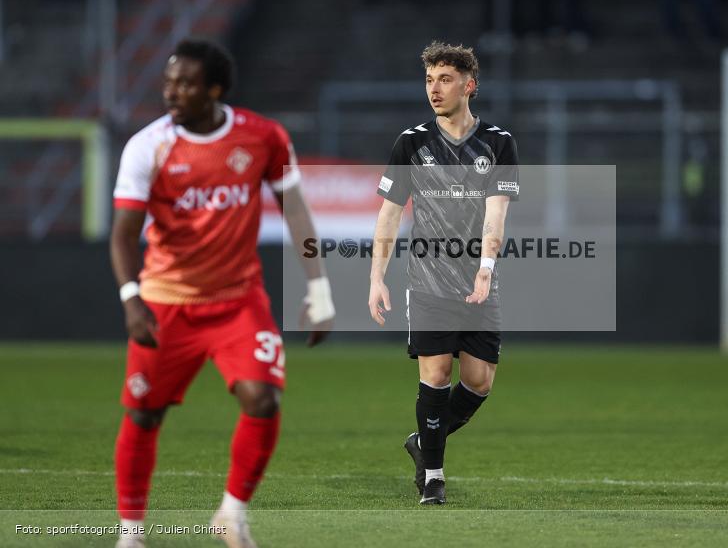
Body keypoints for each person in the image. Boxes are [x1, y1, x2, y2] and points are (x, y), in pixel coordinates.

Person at [110, 38, 334, 548]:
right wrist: (131, 297)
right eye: (168, 82)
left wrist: (319, 288)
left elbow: (296, 210)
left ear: (213, 89)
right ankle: (130, 533)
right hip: (166, 302)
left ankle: (231, 515)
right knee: (145, 413)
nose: (172, 92)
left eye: (185, 84)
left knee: (263, 399)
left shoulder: (263, 137)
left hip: (238, 300)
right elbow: (124, 232)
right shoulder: (148, 146)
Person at [368, 41, 519, 505]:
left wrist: (487, 267)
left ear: (469, 86)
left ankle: (422, 441)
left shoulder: (498, 142)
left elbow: (497, 214)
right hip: (428, 280)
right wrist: (377, 277)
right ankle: (432, 476)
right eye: (430, 79)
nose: (435, 88)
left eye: (445, 79)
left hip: (478, 280)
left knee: (479, 381)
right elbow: (389, 215)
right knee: (434, 375)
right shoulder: (410, 142)